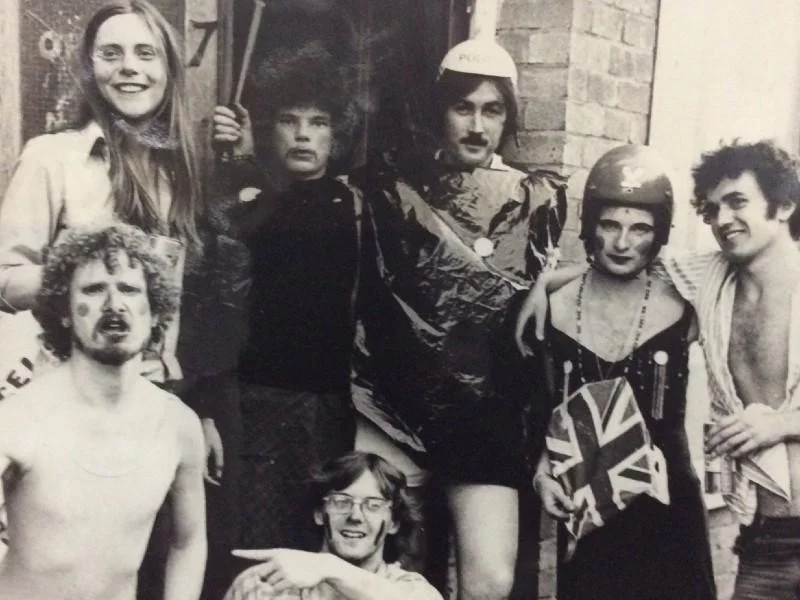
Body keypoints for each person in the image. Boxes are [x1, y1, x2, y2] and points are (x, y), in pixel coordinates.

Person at [517, 140, 800, 599]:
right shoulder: (711, 282)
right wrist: (548, 279)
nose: (723, 219)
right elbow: (631, 261)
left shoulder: (706, 293)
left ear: (785, 204)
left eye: (738, 202)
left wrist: (779, 424)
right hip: (762, 538)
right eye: (712, 209)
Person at [352, 37, 567, 600]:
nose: (477, 124)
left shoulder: (535, 198)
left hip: (486, 415)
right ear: (439, 111)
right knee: (387, 573)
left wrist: (550, 279)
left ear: (509, 119)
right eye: (463, 107)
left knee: (492, 581)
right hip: (394, 406)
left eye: (493, 110)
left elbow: (580, 275)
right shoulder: (391, 187)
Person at [520, 144, 716, 599]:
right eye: (610, 225)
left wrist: (549, 275)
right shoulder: (553, 307)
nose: (623, 242)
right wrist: (543, 474)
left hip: (670, 506)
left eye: (640, 228)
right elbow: (547, 407)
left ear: (660, 232)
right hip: (593, 505)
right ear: (590, 226)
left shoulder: (686, 302)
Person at [203, 43, 362, 593]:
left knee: (311, 546)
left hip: (324, 408)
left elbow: (301, 222)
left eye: (317, 123)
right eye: (289, 121)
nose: (302, 134)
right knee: (251, 545)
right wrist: (242, 166)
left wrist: (249, 163)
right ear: (271, 129)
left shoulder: (348, 208)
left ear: (335, 138)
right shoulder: (247, 205)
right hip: (253, 402)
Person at [0, 0, 203, 387]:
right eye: (111, 54)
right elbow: (3, 281)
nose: (129, 66)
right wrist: (86, 272)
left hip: (150, 396)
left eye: (146, 53)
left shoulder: (179, 172)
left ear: (169, 71)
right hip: (66, 393)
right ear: (92, 70)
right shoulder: (52, 157)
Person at [0, 223, 206, 600]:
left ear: (155, 310)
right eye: (94, 290)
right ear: (63, 312)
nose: (115, 305)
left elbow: (188, 542)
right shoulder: (17, 419)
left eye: (129, 289)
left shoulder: (178, 426)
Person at [222, 451, 442, 600]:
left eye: (373, 505)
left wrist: (328, 567)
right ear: (319, 513)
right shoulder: (266, 586)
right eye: (341, 502)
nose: (355, 516)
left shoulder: (413, 589)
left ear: (394, 522)